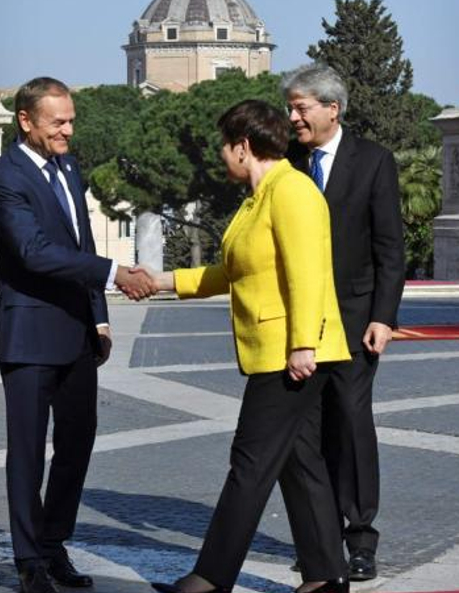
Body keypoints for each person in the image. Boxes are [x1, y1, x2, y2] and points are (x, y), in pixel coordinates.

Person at [146, 99, 351, 593]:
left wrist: (303, 344)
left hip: (292, 353)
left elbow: (308, 273)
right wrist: (161, 281)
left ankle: (211, 579)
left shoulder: (293, 192)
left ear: (243, 146)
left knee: (250, 463)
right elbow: (232, 273)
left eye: (224, 145)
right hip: (277, 350)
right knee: (300, 465)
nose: (221, 155)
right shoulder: (258, 199)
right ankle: (326, 577)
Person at [0, 76, 155, 593]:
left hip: (79, 334)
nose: (69, 130)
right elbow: (32, 252)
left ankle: (54, 543)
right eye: (58, 122)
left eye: (72, 119)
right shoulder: (3, 178)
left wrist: (98, 316)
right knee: (28, 452)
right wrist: (115, 273)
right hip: (30, 335)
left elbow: (79, 237)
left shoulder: (69, 167)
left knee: (77, 443)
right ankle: (29, 559)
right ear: (26, 121)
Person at [283, 63, 405, 582]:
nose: (292, 117)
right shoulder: (285, 163)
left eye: (301, 107)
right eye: (290, 108)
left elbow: (390, 249)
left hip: (356, 323)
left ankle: (360, 540)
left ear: (332, 109)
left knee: (351, 427)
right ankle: (318, 539)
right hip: (300, 326)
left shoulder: (374, 162)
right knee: (305, 434)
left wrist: (384, 317)